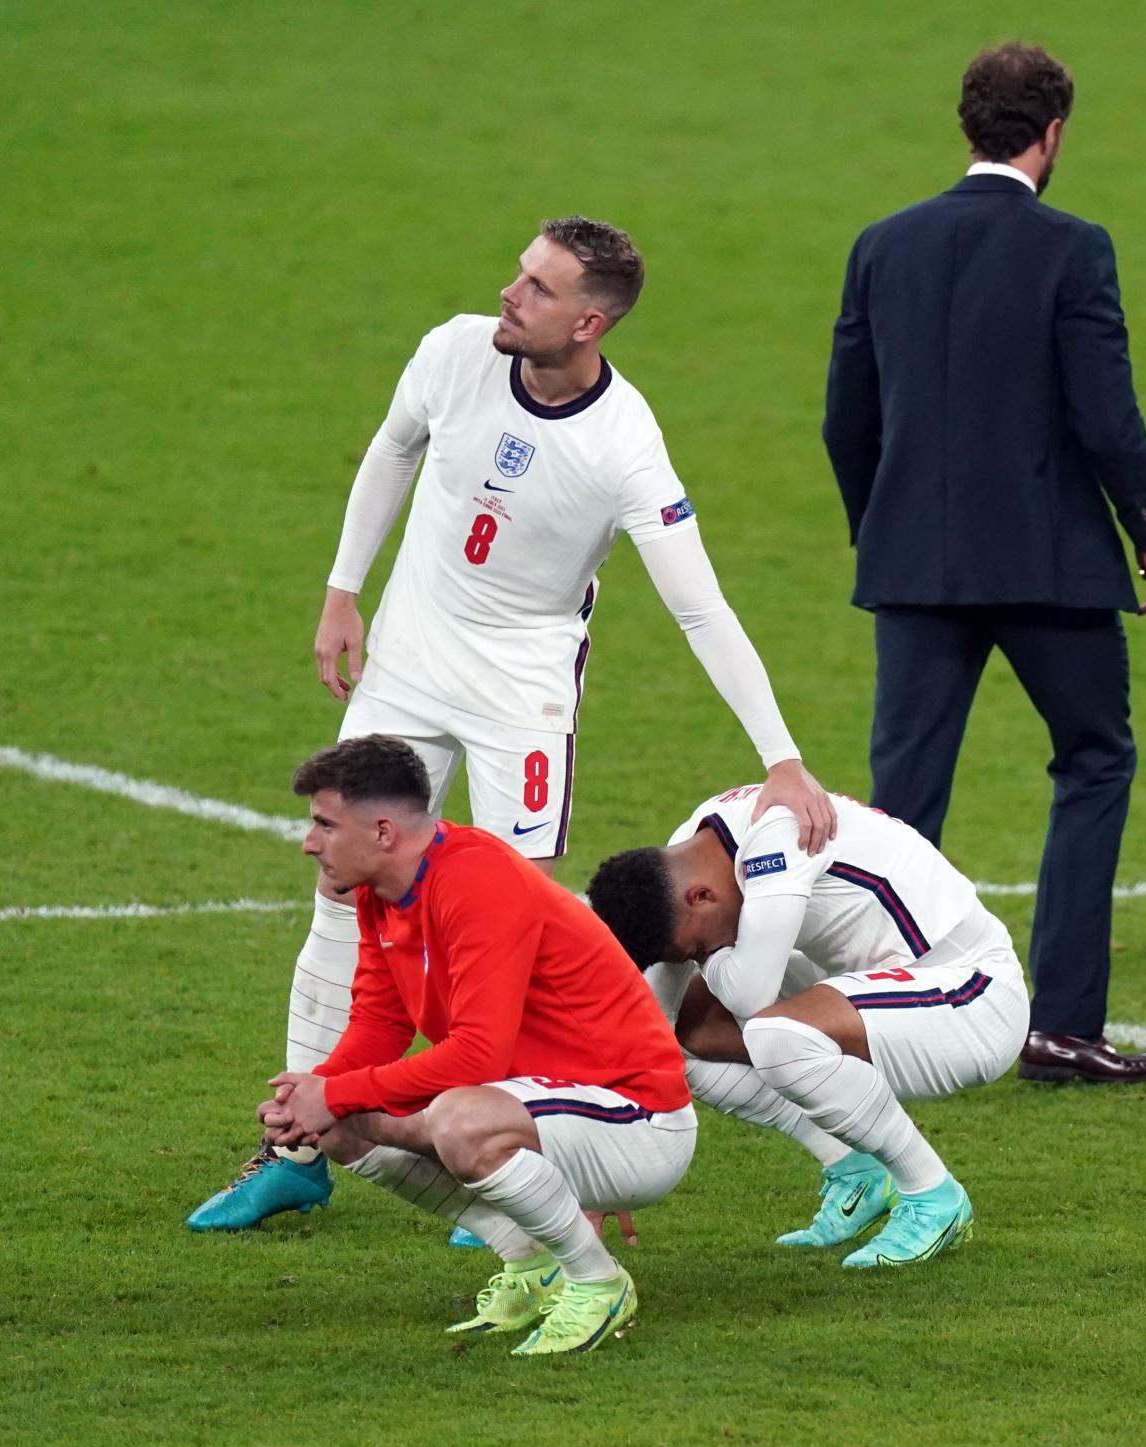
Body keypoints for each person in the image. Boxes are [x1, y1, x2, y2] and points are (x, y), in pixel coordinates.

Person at [192, 215, 831, 1233]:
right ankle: (293, 1150)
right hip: (407, 656)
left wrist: (782, 756)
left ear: (589, 321)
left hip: (518, 686)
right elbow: (392, 448)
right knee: (334, 895)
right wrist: (343, 587)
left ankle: (547, 1137)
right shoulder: (454, 350)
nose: (508, 294)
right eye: (518, 273)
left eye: (537, 288)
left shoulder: (627, 446)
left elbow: (699, 606)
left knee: (515, 920)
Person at [822, 41, 1146, 1086]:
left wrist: (879, 528)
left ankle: (882, 1026)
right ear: (1053, 132)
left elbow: (849, 418)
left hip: (916, 568)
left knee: (902, 805)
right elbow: (1104, 411)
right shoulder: (1074, 250)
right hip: (1051, 569)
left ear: (966, 125)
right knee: (1094, 761)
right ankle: (1062, 1026)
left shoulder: (883, 246)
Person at [257, 737, 698, 1355]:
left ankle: (597, 1280)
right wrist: (314, 1094)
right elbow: (381, 1022)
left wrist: (334, 1091)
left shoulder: (476, 881)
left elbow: (477, 1055)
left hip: (637, 1119)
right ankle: (531, 1261)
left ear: (384, 831)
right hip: (542, 1108)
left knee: (461, 1120)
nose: (309, 842)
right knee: (339, 1125)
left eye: (325, 825)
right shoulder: (380, 895)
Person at [586, 783, 1028, 1267]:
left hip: (973, 996)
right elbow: (654, 1021)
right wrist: (609, 1158)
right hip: (882, 983)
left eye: (696, 947)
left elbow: (749, 993)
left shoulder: (774, 841)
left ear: (701, 896)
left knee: (775, 1034)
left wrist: (708, 959)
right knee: (684, 1036)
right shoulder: (691, 855)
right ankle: (856, 1169)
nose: (701, 956)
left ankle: (933, 1197)